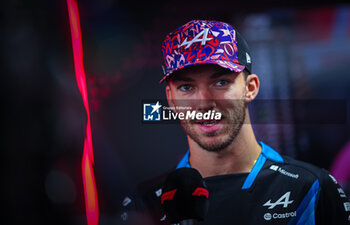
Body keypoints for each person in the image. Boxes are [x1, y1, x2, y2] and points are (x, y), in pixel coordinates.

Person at [119, 20, 350, 225]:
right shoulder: (144, 203)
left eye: (220, 82)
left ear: (250, 88)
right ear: (171, 98)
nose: (204, 103)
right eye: (187, 87)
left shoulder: (311, 187)